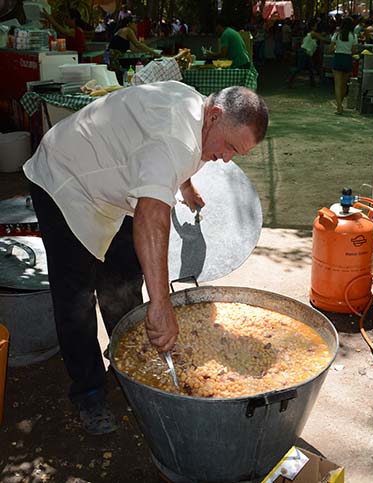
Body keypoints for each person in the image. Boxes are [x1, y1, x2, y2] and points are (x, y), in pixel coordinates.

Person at [23, 82, 269, 435]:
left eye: (237, 154)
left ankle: (127, 363)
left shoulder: (199, 114)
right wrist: (161, 303)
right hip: (63, 179)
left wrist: (184, 184)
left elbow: (167, 158)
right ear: (215, 115)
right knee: (76, 297)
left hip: (112, 185)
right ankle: (89, 393)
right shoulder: (175, 138)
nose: (227, 159)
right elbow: (152, 216)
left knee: (123, 279)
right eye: (229, 146)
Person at [287, 19, 328, 88]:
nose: (316, 27)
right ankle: (290, 80)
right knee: (300, 68)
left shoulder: (309, 34)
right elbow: (322, 39)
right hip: (304, 52)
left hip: (306, 52)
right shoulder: (313, 33)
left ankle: (312, 83)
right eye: (315, 25)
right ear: (312, 26)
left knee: (311, 67)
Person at [330, 16, 358, 115]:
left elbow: (330, 48)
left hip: (338, 58)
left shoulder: (337, 34)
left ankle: (339, 107)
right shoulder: (353, 36)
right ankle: (340, 104)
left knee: (337, 85)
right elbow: (354, 50)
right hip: (348, 59)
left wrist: (336, 48)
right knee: (344, 84)